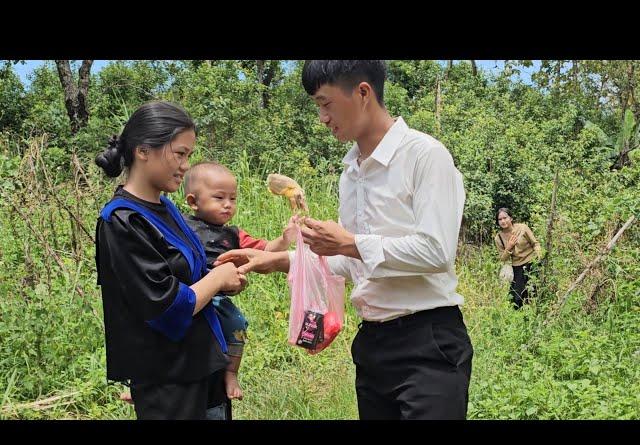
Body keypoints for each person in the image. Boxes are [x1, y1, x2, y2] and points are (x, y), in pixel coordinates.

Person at [216, 60, 474, 420]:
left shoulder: (424, 156)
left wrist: (349, 242)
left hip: (427, 341)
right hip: (372, 344)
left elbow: (436, 252)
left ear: (363, 92)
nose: (322, 117)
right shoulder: (351, 173)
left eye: (326, 103)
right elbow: (355, 263)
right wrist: (277, 260)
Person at [95, 101, 246, 420]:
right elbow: (165, 306)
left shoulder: (167, 208)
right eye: (179, 154)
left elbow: (192, 275)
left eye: (189, 155)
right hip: (169, 380)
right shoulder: (122, 221)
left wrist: (226, 275)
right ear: (143, 150)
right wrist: (218, 279)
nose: (185, 165)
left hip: (202, 368)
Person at [181, 161, 297, 400]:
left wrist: (285, 240)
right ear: (193, 202)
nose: (227, 205)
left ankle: (231, 371)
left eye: (232, 199)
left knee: (237, 323)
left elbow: (266, 250)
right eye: (219, 198)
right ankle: (140, 381)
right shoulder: (181, 226)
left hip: (219, 298)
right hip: (189, 293)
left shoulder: (233, 234)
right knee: (164, 327)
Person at [494, 207, 542, 309]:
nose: (503, 221)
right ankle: (518, 319)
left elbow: (535, 243)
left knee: (533, 292)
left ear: (510, 218)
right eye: (500, 219)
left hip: (532, 262)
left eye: (505, 218)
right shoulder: (499, 238)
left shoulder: (522, 228)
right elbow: (503, 258)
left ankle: (534, 314)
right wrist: (509, 247)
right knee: (516, 299)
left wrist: (539, 255)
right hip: (517, 266)